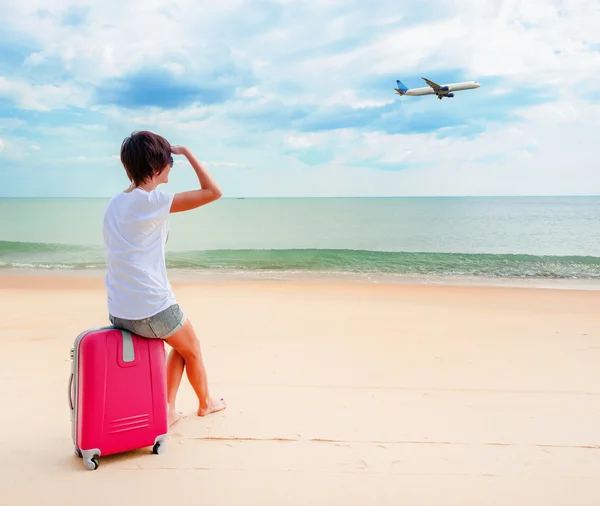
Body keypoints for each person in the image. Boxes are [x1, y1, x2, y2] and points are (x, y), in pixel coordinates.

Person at [102, 130, 226, 426]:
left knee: (180, 344)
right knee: (191, 348)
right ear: (158, 166)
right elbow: (213, 192)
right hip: (150, 308)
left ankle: (168, 408)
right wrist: (188, 152)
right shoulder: (151, 201)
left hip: (120, 310)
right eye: (171, 161)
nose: (173, 166)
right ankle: (205, 403)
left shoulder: (116, 203)